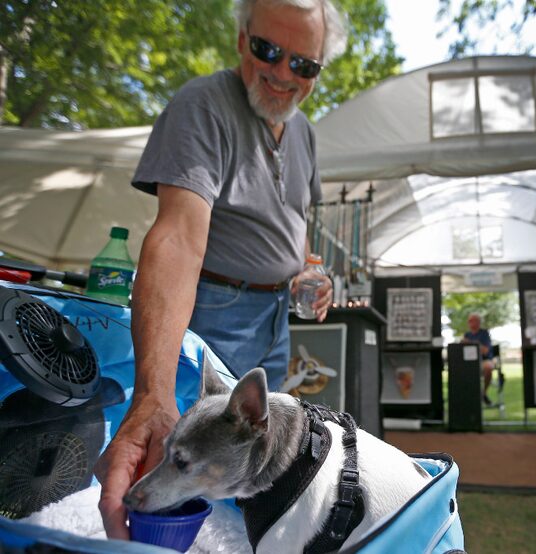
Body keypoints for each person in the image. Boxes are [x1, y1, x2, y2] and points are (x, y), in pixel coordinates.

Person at [94, 0, 347, 539]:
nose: (283, 74)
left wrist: (307, 270)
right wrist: (153, 393)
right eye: (268, 51)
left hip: (277, 315)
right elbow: (177, 238)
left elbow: (296, 221)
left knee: (244, 465)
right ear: (241, 39)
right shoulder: (203, 105)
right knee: (185, 468)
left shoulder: (304, 132)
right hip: (215, 309)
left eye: (303, 64)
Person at [462, 313, 495, 406]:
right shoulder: (466, 335)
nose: (470, 323)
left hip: (484, 360)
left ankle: (484, 393)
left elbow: (485, 351)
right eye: (469, 321)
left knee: (488, 367)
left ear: (478, 322)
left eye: (472, 320)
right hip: (469, 361)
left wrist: (473, 343)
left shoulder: (484, 334)